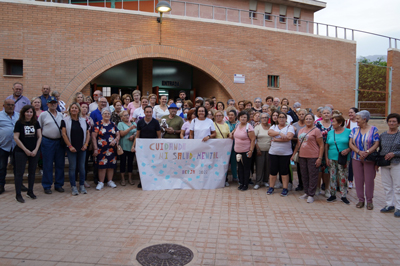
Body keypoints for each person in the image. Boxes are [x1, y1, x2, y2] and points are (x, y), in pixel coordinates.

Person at [349, 110, 380, 210]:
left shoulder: (374, 129)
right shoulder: (354, 130)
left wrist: (367, 152)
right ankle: (361, 200)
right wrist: (359, 152)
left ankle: (369, 201)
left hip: (369, 158)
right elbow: (350, 143)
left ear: (364, 119)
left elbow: (376, 143)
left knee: (369, 180)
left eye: (358, 118)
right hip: (356, 157)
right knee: (358, 180)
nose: (356, 120)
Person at [292, 113, 324, 203]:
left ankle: (311, 194)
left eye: (310, 119)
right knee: (304, 175)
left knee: (313, 175)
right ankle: (306, 192)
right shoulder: (301, 130)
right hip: (302, 156)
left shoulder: (316, 130)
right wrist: (293, 154)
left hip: (313, 156)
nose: (308, 120)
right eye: (307, 119)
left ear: (313, 120)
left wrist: (320, 158)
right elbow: (298, 144)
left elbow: (321, 145)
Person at [13, 105, 41, 203]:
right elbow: (16, 137)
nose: (29, 114)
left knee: (32, 172)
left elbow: (39, 137)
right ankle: (18, 194)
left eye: (31, 112)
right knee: (19, 173)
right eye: (27, 112)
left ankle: (30, 191)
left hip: (34, 151)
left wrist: (36, 150)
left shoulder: (36, 123)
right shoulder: (19, 123)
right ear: (23, 113)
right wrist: (25, 150)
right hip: (21, 151)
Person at [61, 103, 90, 196]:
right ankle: (73, 186)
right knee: (72, 167)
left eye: (76, 108)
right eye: (72, 108)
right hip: (71, 148)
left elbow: (88, 132)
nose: (74, 109)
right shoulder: (65, 120)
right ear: (69, 110)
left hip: (82, 148)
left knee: (82, 167)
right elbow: (64, 134)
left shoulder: (84, 120)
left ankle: (81, 185)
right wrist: (69, 146)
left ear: (79, 110)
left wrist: (86, 144)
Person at [38, 96, 65, 194]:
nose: (53, 104)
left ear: (57, 104)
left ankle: (59, 184)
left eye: (55, 103)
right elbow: (39, 128)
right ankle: (47, 185)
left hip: (59, 142)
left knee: (60, 164)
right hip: (47, 141)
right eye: (51, 103)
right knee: (47, 164)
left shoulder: (61, 115)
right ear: (47, 104)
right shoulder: (43, 115)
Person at [132, 106, 161, 188]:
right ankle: (143, 181)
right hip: (143, 148)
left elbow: (159, 136)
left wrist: (159, 147)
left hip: (153, 147)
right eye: (147, 112)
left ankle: (153, 181)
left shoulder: (155, 122)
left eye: (150, 112)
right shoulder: (140, 122)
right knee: (143, 165)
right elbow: (137, 135)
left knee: (153, 164)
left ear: (152, 113)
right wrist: (133, 146)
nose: (148, 113)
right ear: (144, 112)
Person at [267, 112, 295, 196]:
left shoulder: (290, 127)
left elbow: (289, 137)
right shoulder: (274, 126)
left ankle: (285, 188)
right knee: (273, 171)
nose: (281, 119)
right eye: (280, 117)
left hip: (285, 154)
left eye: (283, 117)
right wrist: (280, 133)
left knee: (284, 171)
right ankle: (271, 187)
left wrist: (276, 139)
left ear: (286, 119)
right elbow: (269, 133)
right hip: (273, 152)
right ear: (277, 119)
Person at [325, 115, 351, 204]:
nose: (332, 123)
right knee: (332, 176)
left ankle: (343, 195)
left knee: (343, 176)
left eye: (334, 121)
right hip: (331, 157)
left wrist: (348, 149)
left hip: (343, 158)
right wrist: (326, 157)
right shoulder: (330, 133)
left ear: (340, 123)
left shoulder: (348, 132)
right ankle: (332, 195)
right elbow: (326, 145)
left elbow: (353, 144)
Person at [92, 108, 120, 191]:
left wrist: (115, 140)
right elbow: (93, 137)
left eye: (108, 113)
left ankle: (110, 181)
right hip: (101, 149)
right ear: (102, 115)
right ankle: (101, 182)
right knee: (102, 166)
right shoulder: (98, 124)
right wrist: (95, 148)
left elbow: (118, 135)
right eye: (105, 113)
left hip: (111, 149)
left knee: (111, 166)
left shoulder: (113, 124)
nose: (107, 115)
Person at [378, 113, 400, 217]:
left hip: (397, 163)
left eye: (394, 121)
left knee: (397, 186)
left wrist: (394, 153)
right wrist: (377, 162)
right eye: (390, 121)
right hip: (384, 163)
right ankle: (389, 204)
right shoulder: (383, 135)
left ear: (398, 123)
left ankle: (398, 207)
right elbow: (380, 149)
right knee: (387, 185)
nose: (391, 123)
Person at [231, 111, 256, 191]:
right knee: (240, 168)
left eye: (245, 117)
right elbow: (234, 133)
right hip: (237, 151)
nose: (243, 118)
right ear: (239, 118)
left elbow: (253, 139)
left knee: (246, 168)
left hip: (246, 151)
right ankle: (241, 183)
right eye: (241, 117)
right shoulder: (237, 125)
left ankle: (246, 184)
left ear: (247, 118)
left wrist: (251, 150)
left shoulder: (249, 127)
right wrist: (231, 133)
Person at [0, 100, 20, 195]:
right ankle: (1, 185)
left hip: (16, 146)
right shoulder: (0, 116)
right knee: (2, 167)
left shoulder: (18, 115)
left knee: (17, 167)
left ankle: (19, 185)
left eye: (12, 105)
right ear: (4, 105)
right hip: (3, 146)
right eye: (8, 105)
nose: (11, 107)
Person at [315, 106, 333, 197]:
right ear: (321, 114)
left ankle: (327, 189)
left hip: (330, 150)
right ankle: (317, 187)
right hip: (318, 149)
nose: (326, 114)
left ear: (331, 114)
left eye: (328, 113)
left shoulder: (334, 124)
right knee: (318, 169)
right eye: (324, 113)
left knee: (327, 170)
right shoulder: (317, 124)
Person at [118, 110, 137, 186]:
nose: (126, 116)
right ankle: (122, 179)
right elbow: (122, 134)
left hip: (132, 146)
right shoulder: (120, 124)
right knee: (122, 163)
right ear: (121, 117)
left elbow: (137, 132)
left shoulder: (133, 123)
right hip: (123, 146)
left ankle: (130, 178)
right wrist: (130, 128)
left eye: (127, 115)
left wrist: (133, 136)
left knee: (130, 163)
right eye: (124, 115)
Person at [254, 113, 271, 189]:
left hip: (270, 150)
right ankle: (258, 182)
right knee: (259, 166)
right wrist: (257, 149)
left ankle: (265, 181)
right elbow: (254, 139)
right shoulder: (257, 127)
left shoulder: (271, 127)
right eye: (263, 117)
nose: (264, 119)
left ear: (268, 118)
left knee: (267, 166)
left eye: (266, 117)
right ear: (260, 118)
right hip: (260, 150)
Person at [292, 109, 307, 191]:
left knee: (307, 168)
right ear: (297, 115)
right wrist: (298, 139)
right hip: (297, 148)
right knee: (299, 168)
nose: (301, 115)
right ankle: (300, 184)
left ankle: (306, 184)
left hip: (307, 148)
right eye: (300, 114)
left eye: (303, 114)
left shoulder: (308, 124)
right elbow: (292, 137)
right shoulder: (294, 125)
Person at [80, 102, 93, 188]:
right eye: (83, 107)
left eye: (86, 107)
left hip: (87, 143)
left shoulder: (90, 119)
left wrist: (90, 143)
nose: (84, 109)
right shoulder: (76, 118)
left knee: (84, 163)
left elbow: (92, 132)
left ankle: (83, 180)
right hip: (77, 143)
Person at [345, 107, 359, 189]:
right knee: (349, 164)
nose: (350, 114)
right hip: (348, 145)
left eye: (352, 112)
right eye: (349, 112)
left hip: (358, 146)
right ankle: (349, 180)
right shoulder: (346, 122)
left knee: (356, 164)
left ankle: (354, 181)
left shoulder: (359, 122)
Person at [226, 109, 238, 182]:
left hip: (236, 145)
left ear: (235, 116)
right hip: (226, 145)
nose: (230, 116)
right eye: (229, 115)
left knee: (234, 161)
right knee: (226, 162)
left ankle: (235, 176)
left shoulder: (239, 124)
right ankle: (225, 178)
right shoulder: (225, 123)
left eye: (232, 115)